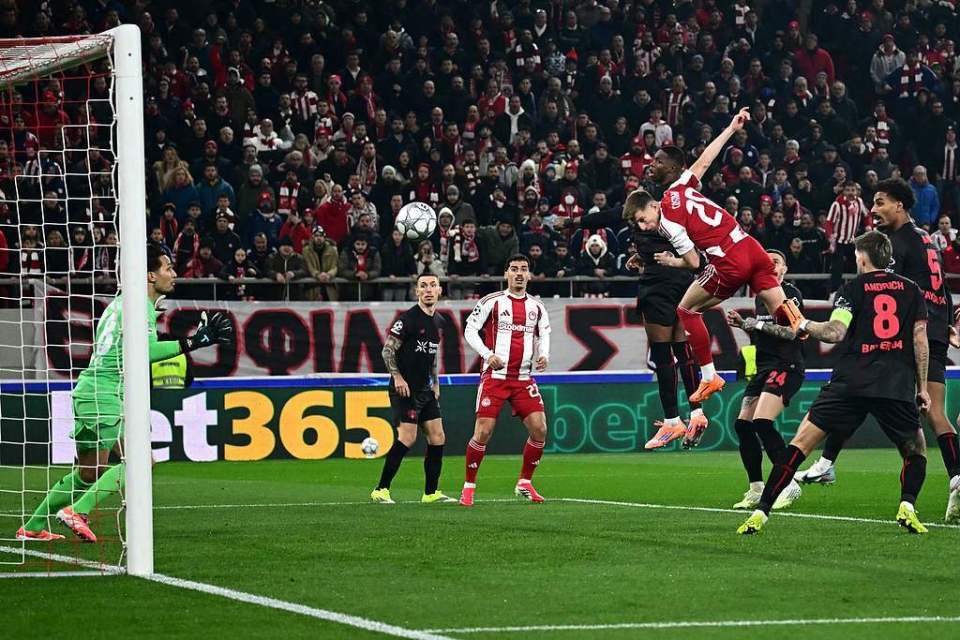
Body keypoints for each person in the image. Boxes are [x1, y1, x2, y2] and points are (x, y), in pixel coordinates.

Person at [17, 245, 234, 541]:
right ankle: (77, 511)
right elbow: (144, 351)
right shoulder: (139, 306)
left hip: (88, 391)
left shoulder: (121, 303)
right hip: (106, 392)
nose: (173, 273)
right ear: (150, 275)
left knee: (88, 473)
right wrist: (193, 342)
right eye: (168, 268)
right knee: (141, 460)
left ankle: (33, 526)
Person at [738, 231, 931, 535]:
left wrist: (802, 323)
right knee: (915, 450)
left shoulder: (852, 289)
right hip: (895, 383)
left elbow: (835, 332)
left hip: (850, 382)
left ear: (862, 258)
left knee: (800, 444)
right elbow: (920, 341)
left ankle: (761, 512)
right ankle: (907, 505)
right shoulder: (912, 290)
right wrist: (922, 388)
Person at [795, 178, 960, 523]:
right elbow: (941, 285)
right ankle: (957, 477)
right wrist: (947, 325)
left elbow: (884, 291)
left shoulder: (894, 245)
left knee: (856, 388)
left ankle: (826, 462)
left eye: (881, 202)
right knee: (936, 412)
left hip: (908, 334)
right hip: (934, 328)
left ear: (900, 205)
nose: (874, 209)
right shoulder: (926, 238)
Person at [632, 107, 805, 407]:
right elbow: (705, 160)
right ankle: (805, 327)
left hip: (728, 258)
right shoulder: (682, 186)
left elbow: (693, 262)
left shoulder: (668, 212)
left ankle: (709, 376)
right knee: (788, 317)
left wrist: (670, 261)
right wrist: (731, 128)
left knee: (686, 310)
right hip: (751, 247)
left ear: (672, 169)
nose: (652, 165)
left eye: (658, 162)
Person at [575, 189, 706, 448]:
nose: (640, 225)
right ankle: (697, 414)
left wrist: (571, 222)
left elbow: (606, 217)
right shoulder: (677, 208)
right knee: (684, 352)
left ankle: (672, 421)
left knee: (663, 355)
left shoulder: (642, 212)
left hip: (658, 285)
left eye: (638, 220)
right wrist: (644, 255)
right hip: (685, 283)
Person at [460, 254, 551, 506]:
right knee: (483, 431)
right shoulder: (492, 301)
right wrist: (487, 355)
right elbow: (470, 330)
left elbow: (544, 333)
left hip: (523, 378)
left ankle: (525, 482)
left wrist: (544, 355)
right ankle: (469, 487)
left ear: (529, 275)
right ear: (506, 274)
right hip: (496, 378)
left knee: (540, 429)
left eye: (523, 269)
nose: (519, 273)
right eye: (514, 269)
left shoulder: (537, 306)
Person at [726, 249, 805, 511]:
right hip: (764, 367)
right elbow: (764, 332)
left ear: (785, 269)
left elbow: (793, 332)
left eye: (776, 262)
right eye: (766, 261)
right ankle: (756, 488)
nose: (771, 265)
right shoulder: (762, 297)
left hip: (786, 365)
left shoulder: (789, 294)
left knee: (762, 422)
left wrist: (756, 325)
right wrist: (744, 324)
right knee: (743, 425)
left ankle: (789, 483)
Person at [370, 273, 454, 505]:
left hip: (425, 389)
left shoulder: (439, 322)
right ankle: (381, 489)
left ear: (439, 291)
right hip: (404, 389)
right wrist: (397, 377)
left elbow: (432, 355)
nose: (428, 290)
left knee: (437, 437)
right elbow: (387, 350)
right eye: (423, 286)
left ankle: (430, 493)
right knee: (407, 438)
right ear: (416, 291)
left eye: (433, 285)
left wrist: (435, 382)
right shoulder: (407, 319)